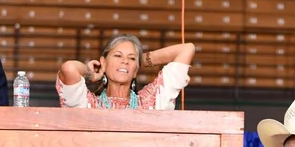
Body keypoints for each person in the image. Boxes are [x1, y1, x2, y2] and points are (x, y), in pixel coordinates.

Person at [56, 35, 195, 111]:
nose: (125, 61)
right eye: (118, 56)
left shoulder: (152, 102)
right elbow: (69, 68)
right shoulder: (87, 105)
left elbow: (186, 50)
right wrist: (89, 73)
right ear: (103, 62)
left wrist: (140, 61)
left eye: (131, 58)